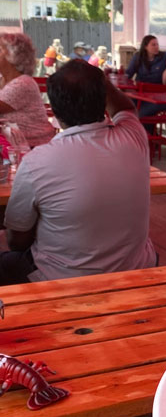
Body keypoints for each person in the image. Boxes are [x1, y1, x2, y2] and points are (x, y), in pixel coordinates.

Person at [0, 60, 157, 284]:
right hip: (137, 271)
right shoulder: (134, 136)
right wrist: (99, 79)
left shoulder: (37, 162)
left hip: (62, 280)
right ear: (104, 99)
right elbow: (125, 108)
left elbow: (16, 240)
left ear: (54, 110)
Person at [0, 32, 56, 148]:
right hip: (16, 148)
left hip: (34, 148)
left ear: (14, 56)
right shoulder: (3, 80)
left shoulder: (23, 83)